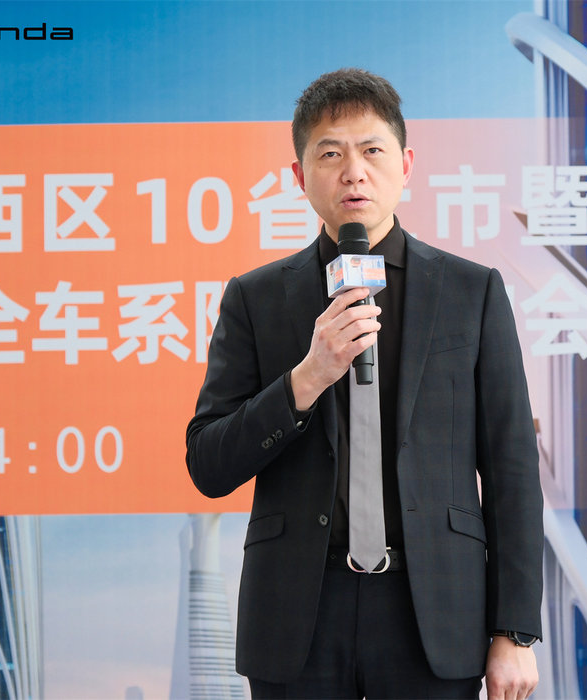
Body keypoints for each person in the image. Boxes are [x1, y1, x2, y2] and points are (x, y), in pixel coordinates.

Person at [186, 68, 543, 700]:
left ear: (405, 165)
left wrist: (513, 631)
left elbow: (511, 466)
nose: (353, 172)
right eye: (330, 154)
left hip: (435, 612)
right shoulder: (255, 298)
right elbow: (209, 464)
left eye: (372, 150)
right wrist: (306, 379)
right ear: (299, 177)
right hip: (297, 616)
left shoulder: (472, 291)